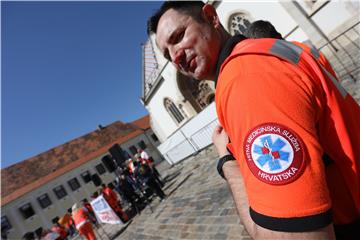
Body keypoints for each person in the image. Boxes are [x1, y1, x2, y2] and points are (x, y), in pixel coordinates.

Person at [148, 1, 360, 239]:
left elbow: (292, 235)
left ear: (211, 17)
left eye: (178, 36)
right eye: (167, 54)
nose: (175, 56)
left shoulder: (245, 79)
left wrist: (226, 161)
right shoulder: (269, 51)